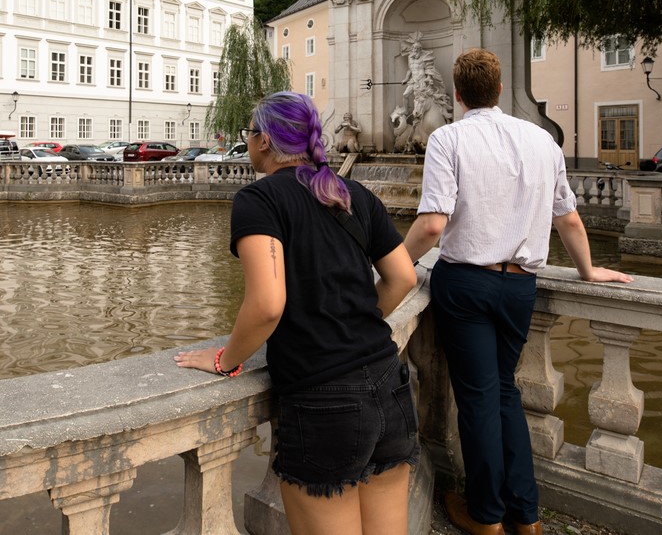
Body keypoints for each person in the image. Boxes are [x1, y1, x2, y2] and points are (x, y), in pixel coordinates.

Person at [404, 49, 633, 535]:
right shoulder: (542, 140)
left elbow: (431, 225)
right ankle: (525, 516)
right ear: (502, 89)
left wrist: (396, 265)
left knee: (479, 400)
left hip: (466, 283)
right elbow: (567, 218)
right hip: (519, 286)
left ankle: (486, 516)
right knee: (503, 393)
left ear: (459, 94)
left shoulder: (448, 137)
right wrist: (589, 271)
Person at [175, 91, 419, 535]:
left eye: (249, 134)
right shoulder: (353, 194)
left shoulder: (259, 200)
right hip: (388, 380)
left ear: (264, 141)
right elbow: (404, 277)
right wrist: (352, 325)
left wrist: (224, 360)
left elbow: (268, 305)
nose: (247, 142)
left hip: (324, 398)